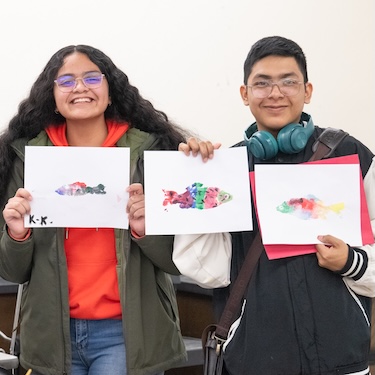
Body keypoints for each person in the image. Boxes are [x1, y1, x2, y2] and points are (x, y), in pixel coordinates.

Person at [177, 36, 375, 374]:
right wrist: (199, 184)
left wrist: (349, 262)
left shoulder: (352, 156)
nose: (275, 93)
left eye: (288, 82)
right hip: (254, 358)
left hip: (341, 356)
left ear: (307, 90)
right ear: (244, 94)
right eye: (262, 84)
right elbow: (205, 271)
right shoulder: (227, 168)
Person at [0, 45, 190, 375]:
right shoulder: (26, 158)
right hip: (51, 336)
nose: (81, 88)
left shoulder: (149, 153)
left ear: (110, 89)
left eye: (92, 77)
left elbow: (174, 262)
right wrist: (18, 235)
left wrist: (144, 229)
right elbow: (13, 273)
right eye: (67, 81)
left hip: (127, 336)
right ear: (52, 95)